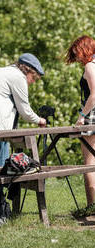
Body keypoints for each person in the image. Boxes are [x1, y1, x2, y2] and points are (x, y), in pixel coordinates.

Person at [66, 35, 95, 207]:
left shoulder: (90, 67)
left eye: (77, 53)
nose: (77, 57)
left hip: (92, 115)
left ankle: (91, 206)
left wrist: (81, 116)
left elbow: (94, 95)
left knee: (89, 162)